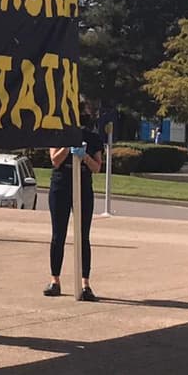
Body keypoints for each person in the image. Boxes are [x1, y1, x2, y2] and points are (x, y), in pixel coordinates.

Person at [45, 112, 105, 301]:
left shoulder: (94, 138)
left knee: (83, 236)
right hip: (61, 187)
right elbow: (55, 160)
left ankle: (85, 283)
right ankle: (55, 280)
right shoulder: (58, 134)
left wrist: (84, 155)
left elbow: (96, 168)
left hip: (83, 189)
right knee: (58, 235)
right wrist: (68, 147)